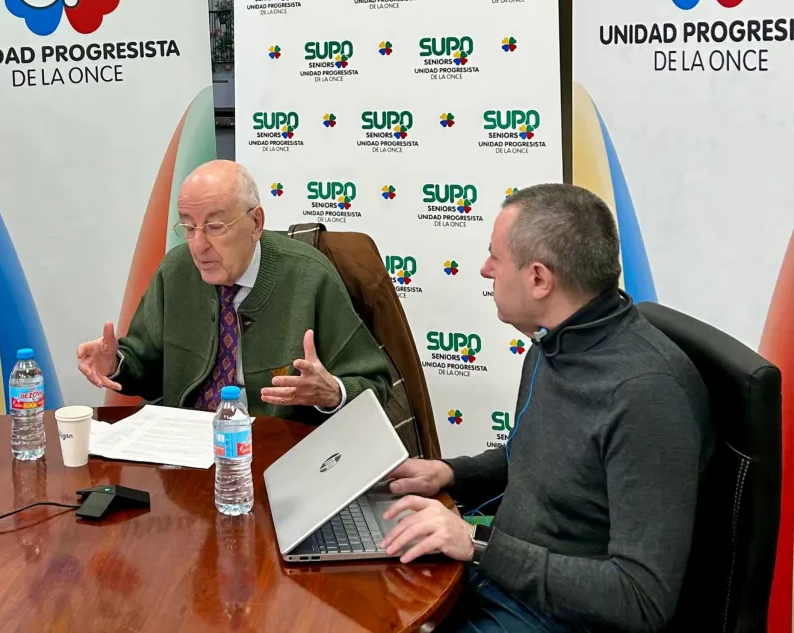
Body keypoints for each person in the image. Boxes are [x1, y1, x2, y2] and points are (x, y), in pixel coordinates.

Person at [379, 184, 712, 632]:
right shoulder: (550, 344)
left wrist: (478, 545)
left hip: (553, 617)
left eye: (495, 257)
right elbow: (542, 459)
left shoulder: (646, 395)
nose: (484, 269)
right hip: (495, 580)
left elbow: (641, 598)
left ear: (539, 279)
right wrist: (450, 473)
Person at [76, 160, 392, 420]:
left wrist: (332, 392)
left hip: (278, 452)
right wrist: (115, 364)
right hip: (185, 452)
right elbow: (146, 370)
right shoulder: (176, 271)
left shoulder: (310, 276)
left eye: (215, 227)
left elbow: (375, 385)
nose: (198, 246)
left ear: (255, 223)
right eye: (188, 227)